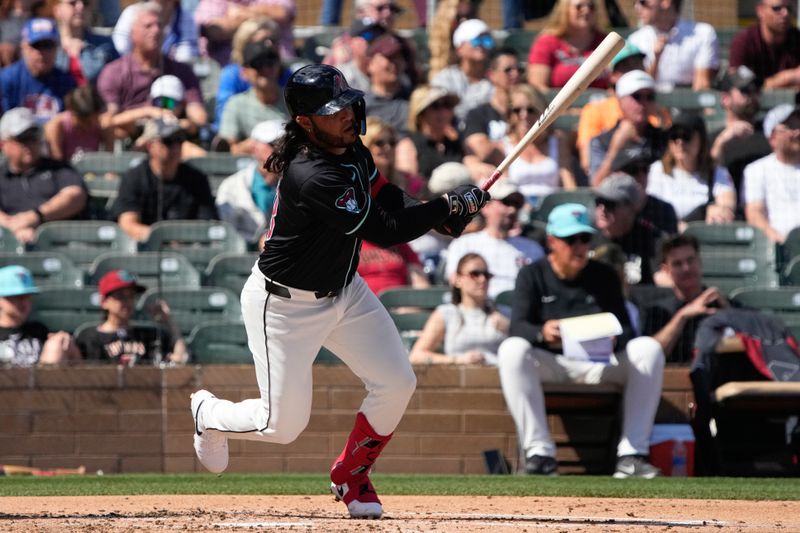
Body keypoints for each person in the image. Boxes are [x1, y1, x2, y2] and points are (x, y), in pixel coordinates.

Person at [188, 64, 489, 519]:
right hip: (283, 305)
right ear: (306, 123)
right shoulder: (311, 174)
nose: (348, 115)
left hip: (345, 292)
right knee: (281, 425)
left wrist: (438, 216)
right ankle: (208, 414)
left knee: (397, 382)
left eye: (349, 104)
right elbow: (384, 230)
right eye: (335, 110)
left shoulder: (350, 148)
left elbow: (385, 196)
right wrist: (443, 206)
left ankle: (352, 473)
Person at [497, 203, 664, 477]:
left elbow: (625, 328)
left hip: (598, 363)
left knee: (648, 348)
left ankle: (632, 455)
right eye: (569, 239)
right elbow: (518, 327)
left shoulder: (604, 276)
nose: (578, 246)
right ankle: (540, 455)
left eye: (584, 238)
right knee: (512, 350)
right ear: (551, 240)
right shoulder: (532, 274)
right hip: (553, 363)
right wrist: (542, 332)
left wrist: (615, 339)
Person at [97, 2, 206, 141]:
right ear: (132, 33)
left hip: (171, 142)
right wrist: (148, 112)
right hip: (130, 142)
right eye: (148, 26)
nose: (155, 31)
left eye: (159, 25)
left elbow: (199, 118)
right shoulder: (114, 72)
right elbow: (107, 121)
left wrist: (182, 124)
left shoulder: (181, 71)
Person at [112, 117, 217, 242]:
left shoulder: (197, 179)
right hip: (144, 252)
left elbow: (206, 225)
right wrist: (164, 238)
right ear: (151, 146)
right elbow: (128, 225)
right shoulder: (133, 178)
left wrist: (180, 239)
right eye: (169, 141)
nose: (176, 147)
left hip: (187, 251)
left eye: (180, 140)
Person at [576, 42, 671, 175]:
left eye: (638, 65)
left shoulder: (655, 108)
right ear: (612, 75)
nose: (633, 71)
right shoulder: (595, 110)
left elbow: (669, 160)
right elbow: (588, 163)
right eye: (626, 67)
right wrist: (617, 147)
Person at [0, 107, 88, 243]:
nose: (30, 144)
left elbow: (75, 195)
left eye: (34, 137)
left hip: (58, 243)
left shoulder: (58, 168)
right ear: (4, 144)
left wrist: (35, 217)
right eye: (23, 138)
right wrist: (13, 227)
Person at [640, 234, 730, 364]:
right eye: (677, 264)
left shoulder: (721, 303)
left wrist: (730, 314)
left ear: (699, 261)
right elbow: (650, 356)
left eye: (690, 260)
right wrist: (682, 316)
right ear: (666, 270)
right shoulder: (657, 312)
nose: (686, 268)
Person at [445, 182, 545, 298]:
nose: (512, 210)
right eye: (506, 202)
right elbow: (455, 282)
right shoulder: (464, 244)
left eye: (516, 204)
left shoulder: (532, 248)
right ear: (486, 207)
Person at [410, 253, 508, 365]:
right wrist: (456, 360)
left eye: (487, 275)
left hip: (498, 377)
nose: (483, 279)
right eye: (475, 274)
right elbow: (416, 355)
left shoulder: (503, 314)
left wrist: (510, 329)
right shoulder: (447, 313)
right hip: (458, 378)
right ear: (457, 279)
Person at [75, 269, 188, 365]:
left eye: (131, 296)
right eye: (120, 296)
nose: (127, 302)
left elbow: (180, 360)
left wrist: (169, 320)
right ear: (104, 301)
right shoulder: (89, 337)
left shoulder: (149, 335)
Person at [646, 112, 736, 228]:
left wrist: (719, 210)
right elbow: (653, 211)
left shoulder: (717, 173)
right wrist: (701, 214)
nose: (680, 142)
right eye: (674, 136)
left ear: (701, 140)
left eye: (686, 136)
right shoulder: (658, 170)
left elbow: (726, 207)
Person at [588, 69, 668, 185]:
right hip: (620, 201)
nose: (643, 103)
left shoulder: (664, 138)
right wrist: (615, 148)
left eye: (649, 97)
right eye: (636, 96)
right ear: (620, 101)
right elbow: (596, 185)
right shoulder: (602, 141)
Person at [500, 83, 576, 203]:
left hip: (551, 209)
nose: (524, 115)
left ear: (541, 111)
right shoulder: (504, 146)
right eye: (517, 110)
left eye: (531, 110)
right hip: (517, 211)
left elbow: (569, 184)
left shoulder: (557, 142)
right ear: (510, 114)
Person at [214, 18, 290, 133]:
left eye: (273, 40)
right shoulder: (231, 75)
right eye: (264, 40)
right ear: (246, 43)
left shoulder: (286, 73)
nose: (269, 45)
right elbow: (225, 118)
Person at [215, 119, 284, 243]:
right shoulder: (231, 186)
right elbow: (227, 235)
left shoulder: (298, 185)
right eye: (273, 144)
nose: (279, 150)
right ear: (254, 147)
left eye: (284, 145)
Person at [0, 265, 81, 367]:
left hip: (40, 381)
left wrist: (66, 342)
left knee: (59, 342)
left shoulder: (38, 330)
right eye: (17, 297)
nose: (24, 303)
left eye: (27, 297)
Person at [0, 17, 76, 124]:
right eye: (37, 45)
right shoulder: (6, 79)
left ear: (57, 48)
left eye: (48, 45)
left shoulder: (67, 82)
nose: (43, 52)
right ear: (24, 47)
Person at [628, 0, 719, 90]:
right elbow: (637, 89)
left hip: (687, 103)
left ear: (666, 2)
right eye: (634, 2)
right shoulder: (635, 40)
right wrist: (656, 59)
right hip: (649, 102)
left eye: (643, 2)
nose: (637, 7)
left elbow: (701, 85)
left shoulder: (703, 34)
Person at [710, 66, 771, 199]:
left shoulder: (772, 135)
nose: (752, 95)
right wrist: (722, 141)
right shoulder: (713, 139)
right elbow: (707, 178)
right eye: (745, 90)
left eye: (756, 90)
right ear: (725, 99)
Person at [218, 41, 288, 154]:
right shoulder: (236, 104)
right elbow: (227, 151)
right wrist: (252, 146)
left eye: (270, 63)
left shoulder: (295, 100)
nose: (265, 69)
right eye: (257, 64)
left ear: (278, 67)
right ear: (244, 72)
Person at [594, 172, 663, 286]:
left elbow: (662, 282)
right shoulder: (585, 238)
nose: (602, 209)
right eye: (599, 201)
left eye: (609, 203)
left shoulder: (653, 242)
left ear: (631, 208)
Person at [744, 104, 800, 243]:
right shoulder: (756, 170)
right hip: (778, 247)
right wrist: (772, 236)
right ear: (772, 138)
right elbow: (755, 211)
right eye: (790, 128)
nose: (798, 132)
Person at [526, 0, 609, 94]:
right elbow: (538, 87)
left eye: (591, 6)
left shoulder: (606, 42)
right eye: (579, 7)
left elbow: (618, 80)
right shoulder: (546, 42)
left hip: (601, 105)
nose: (586, 10)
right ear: (565, 10)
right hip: (560, 106)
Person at [462, 47, 521, 170]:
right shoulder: (478, 114)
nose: (515, 74)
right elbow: (481, 151)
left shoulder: (528, 111)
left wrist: (496, 145)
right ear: (491, 75)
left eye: (519, 70)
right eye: (508, 70)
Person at [430, 18, 494, 126]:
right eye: (476, 41)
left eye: (486, 40)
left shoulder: (495, 80)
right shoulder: (445, 79)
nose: (482, 46)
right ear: (459, 48)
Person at [193, 0, 295, 65]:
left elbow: (282, 13)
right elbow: (215, 31)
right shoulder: (211, 2)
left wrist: (241, 14)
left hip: (278, 70)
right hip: (228, 69)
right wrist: (263, 16)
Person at [728, 0, 800, 90]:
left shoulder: (797, 39)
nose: (785, 13)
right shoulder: (744, 41)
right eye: (777, 8)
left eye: (789, 8)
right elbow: (738, 85)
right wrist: (787, 78)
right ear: (760, 11)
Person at [395, 85, 462, 179]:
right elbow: (408, 184)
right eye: (435, 105)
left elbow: (474, 167)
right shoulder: (408, 145)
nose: (443, 112)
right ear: (420, 114)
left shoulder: (456, 143)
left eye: (447, 105)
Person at [53, 0, 119, 84]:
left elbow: (120, 79)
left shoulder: (105, 44)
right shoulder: (43, 44)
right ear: (57, 9)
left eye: (86, 3)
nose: (80, 7)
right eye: (72, 3)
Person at [44, 83, 114, 162]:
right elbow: (57, 164)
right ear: (72, 112)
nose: (88, 126)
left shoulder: (104, 124)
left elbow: (110, 163)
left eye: (93, 120)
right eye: (84, 121)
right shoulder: (56, 126)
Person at [112, 0, 198, 63]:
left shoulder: (186, 19)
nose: (156, 30)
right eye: (148, 26)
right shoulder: (132, 13)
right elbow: (120, 49)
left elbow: (186, 57)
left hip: (170, 75)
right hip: (132, 73)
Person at [362, 32, 412, 136]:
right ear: (370, 64)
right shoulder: (360, 106)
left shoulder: (413, 100)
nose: (396, 63)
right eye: (390, 57)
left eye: (400, 57)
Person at [362, 116, 425, 197]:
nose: (388, 148)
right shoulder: (356, 184)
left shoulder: (409, 181)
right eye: (379, 143)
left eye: (392, 142)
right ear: (365, 146)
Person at [357, 238, 430, 295]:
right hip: (362, 307)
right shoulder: (353, 245)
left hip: (399, 305)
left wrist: (412, 307)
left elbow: (420, 284)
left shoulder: (400, 244)